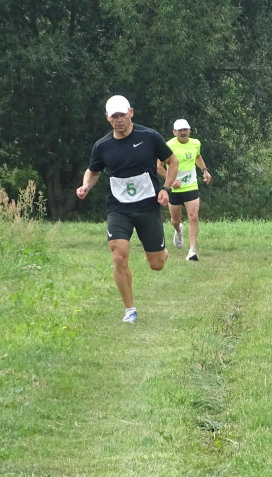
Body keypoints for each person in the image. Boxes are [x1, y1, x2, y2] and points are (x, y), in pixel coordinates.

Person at [76, 95, 178, 323]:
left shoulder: (149, 137)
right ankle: (129, 310)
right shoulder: (102, 146)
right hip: (118, 208)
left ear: (131, 112)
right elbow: (93, 171)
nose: (119, 120)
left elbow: (173, 161)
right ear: (107, 118)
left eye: (122, 114)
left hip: (147, 207)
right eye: (114, 116)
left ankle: (162, 252)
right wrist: (85, 186)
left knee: (157, 265)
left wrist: (166, 189)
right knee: (119, 255)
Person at [158, 118, 212, 261]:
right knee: (175, 220)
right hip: (174, 189)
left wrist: (205, 170)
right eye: (180, 130)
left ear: (189, 130)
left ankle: (192, 251)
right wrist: (171, 181)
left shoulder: (195, 143)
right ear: (174, 132)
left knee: (193, 217)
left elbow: (197, 157)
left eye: (185, 130)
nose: (183, 133)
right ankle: (178, 230)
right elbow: (158, 166)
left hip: (191, 186)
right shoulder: (168, 145)